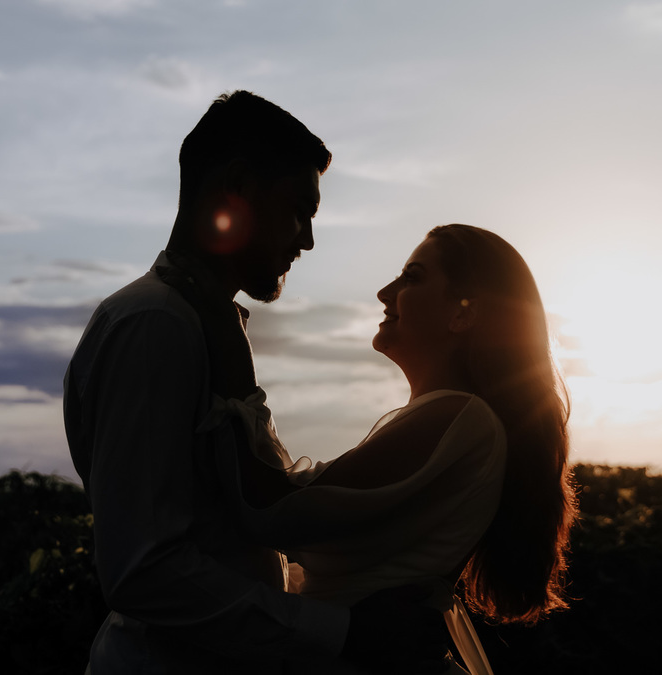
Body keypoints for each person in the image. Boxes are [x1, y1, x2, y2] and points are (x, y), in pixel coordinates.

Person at [64, 91, 444, 674]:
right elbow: (143, 571)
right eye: (300, 209)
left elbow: (233, 527)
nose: (308, 239)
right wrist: (342, 631)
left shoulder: (201, 324)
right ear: (237, 188)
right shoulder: (155, 326)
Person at [212, 224, 579, 674]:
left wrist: (232, 372)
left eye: (413, 277)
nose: (386, 292)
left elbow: (271, 508)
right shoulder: (452, 419)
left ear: (463, 313)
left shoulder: (458, 416)